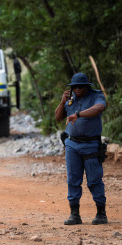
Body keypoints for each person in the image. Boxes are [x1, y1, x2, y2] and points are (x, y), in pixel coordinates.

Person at [55, 72, 108, 225]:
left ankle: (101, 213)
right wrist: (62, 102)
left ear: (87, 86)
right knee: (73, 179)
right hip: (72, 144)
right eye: (74, 87)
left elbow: (99, 108)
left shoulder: (96, 96)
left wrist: (78, 114)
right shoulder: (71, 99)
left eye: (81, 86)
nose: (77, 89)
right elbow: (58, 117)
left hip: (91, 144)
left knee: (94, 180)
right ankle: (74, 214)